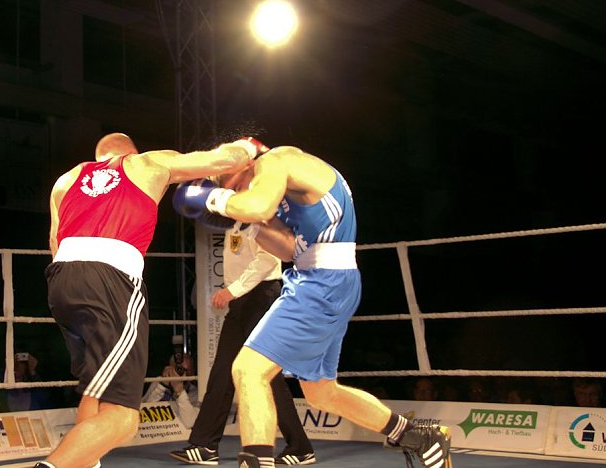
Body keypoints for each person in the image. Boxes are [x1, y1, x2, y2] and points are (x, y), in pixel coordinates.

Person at [173, 143, 452, 468]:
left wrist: (214, 200)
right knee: (322, 393)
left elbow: (258, 205)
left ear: (245, 160)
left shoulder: (276, 161)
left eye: (225, 178)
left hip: (323, 281)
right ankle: (419, 437)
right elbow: (289, 250)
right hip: (323, 279)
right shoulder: (282, 189)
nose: (222, 184)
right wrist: (245, 223)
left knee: (248, 370)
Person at [34, 132, 268, 468]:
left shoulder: (67, 180)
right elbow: (224, 161)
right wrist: (250, 146)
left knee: (94, 390)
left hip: (61, 283)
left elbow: (55, 241)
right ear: (131, 152)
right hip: (110, 281)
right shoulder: (148, 163)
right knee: (124, 417)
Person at [169, 219, 314, 466]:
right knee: (223, 371)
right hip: (242, 302)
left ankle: (300, 447)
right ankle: (205, 444)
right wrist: (234, 292)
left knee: (267, 376)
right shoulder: (235, 217)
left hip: (261, 296)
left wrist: (232, 290)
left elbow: (268, 259)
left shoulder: (260, 213)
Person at [143, 351, 200, 429]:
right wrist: (162, 386)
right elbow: (145, 413)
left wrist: (180, 392)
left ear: (193, 372)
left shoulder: (195, 392)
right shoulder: (159, 381)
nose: (184, 375)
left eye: (188, 371)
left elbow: (190, 422)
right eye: (180, 370)